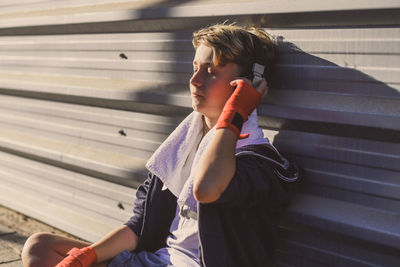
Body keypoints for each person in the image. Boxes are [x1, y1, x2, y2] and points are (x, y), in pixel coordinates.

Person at [21, 23, 299, 267]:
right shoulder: (179, 149)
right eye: (195, 68)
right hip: (157, 259)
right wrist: (85, 258)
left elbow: (206, 188)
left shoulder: (260, 162)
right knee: (40, 248)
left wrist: (237, 112)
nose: (194, 80)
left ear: (246, 84)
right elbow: (138, 227)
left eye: (211, 72)